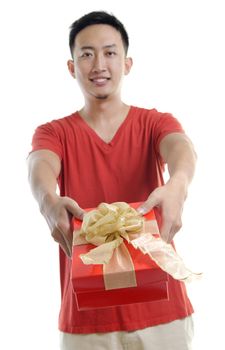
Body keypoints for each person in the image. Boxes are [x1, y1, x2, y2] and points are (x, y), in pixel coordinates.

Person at [27, 11, 196, 350]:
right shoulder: (54, 132)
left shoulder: (154, 122)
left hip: (163, 311)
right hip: (86, 320)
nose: (98, 64)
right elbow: (39, 163)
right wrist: (47, 199)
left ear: (127, 63)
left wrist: (177, 185)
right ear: (72, 67)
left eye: (109, 52)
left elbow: (181, 148)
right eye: (86, 54)